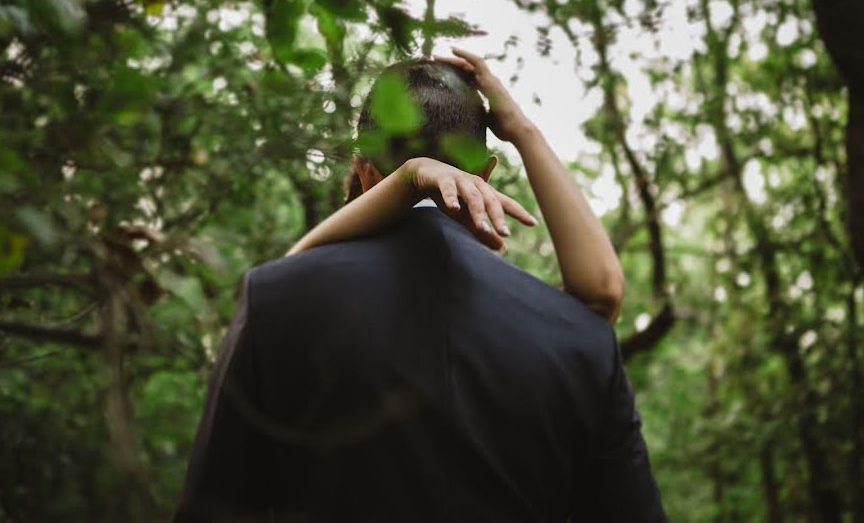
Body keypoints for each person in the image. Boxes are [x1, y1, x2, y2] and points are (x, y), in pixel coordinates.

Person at [174, 50, 668, 522]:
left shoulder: (277, 298)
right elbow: (603, 294)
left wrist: (406, 179)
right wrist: (521, 129)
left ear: (364, 174)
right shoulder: (580, 341)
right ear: (486, 177)